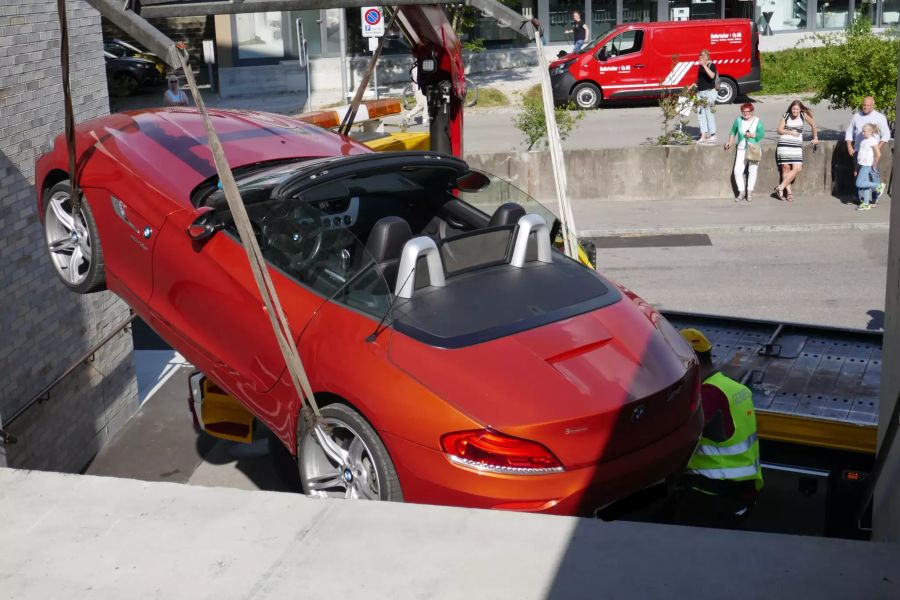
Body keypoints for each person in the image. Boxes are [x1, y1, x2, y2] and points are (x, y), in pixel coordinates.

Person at [671, 328, 764, 527]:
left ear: (688, 359)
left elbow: (673, 436)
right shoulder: (734, 388)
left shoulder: (707, 395)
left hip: (713, 495)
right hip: (742, 489)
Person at [846, 96, 891, 207]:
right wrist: (849, 146)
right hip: (858, 151)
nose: (865, 107)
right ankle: (860, 199)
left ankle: (875, 198)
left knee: (872, 175)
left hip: (871, 154)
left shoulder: (879, 117)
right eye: (864, 105)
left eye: (868, 105)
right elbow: (849, 131)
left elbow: (886, 135)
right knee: (858, 175)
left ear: (873, 105)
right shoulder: (857, 115)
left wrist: (876, 149)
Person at [774, 100, 819, 202]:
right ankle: (789, 192)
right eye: (793, 109)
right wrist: (790, 132)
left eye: (797, 109)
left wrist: (815, 137)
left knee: (798, 168)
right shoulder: (786, 115)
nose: (795, 111)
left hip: (796, 146)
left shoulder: (803, 115)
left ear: (800, 109)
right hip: (784, 145)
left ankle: (780, 188)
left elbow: (813, 124)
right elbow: (779, 130)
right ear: (791, 108)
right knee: (786, 168)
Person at [724, 103, 764, 202]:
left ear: (752, 111)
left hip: (753, 148)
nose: (745, 113)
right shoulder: (738, 120)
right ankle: (741, 192)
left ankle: (749, 192)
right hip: (741, 149)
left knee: (752, 170)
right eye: (744, 111)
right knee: (737, 171)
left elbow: (761, 134)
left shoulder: (757, 121)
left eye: (748, 111)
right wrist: (730, 141)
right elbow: (733, 132)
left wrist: (752, 135)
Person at [855, 123, 882, 211]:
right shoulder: (863, 140)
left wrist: (874, 164)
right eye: (862, 131)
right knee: (865, 185)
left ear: (870, 132)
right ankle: (866, 204)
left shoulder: (872, 140)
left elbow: (878, 154)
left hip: (866, 165)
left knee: (858, 183)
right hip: (862, 164)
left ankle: (878, 185)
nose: (862, 133)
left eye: (864, 131)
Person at [695, 49, 718, 144]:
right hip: (700, 93)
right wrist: (694, 85)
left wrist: (704, 65)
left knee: (708, 113)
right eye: (700, 56)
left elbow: (712, 76)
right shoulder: (700, 67)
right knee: (700, 114)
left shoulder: (711, 65)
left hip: (709, 93)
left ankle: (713, 134)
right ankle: (703, 135)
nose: (701, 58)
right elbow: (700, 79)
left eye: (703, 56)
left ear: (708, 57)